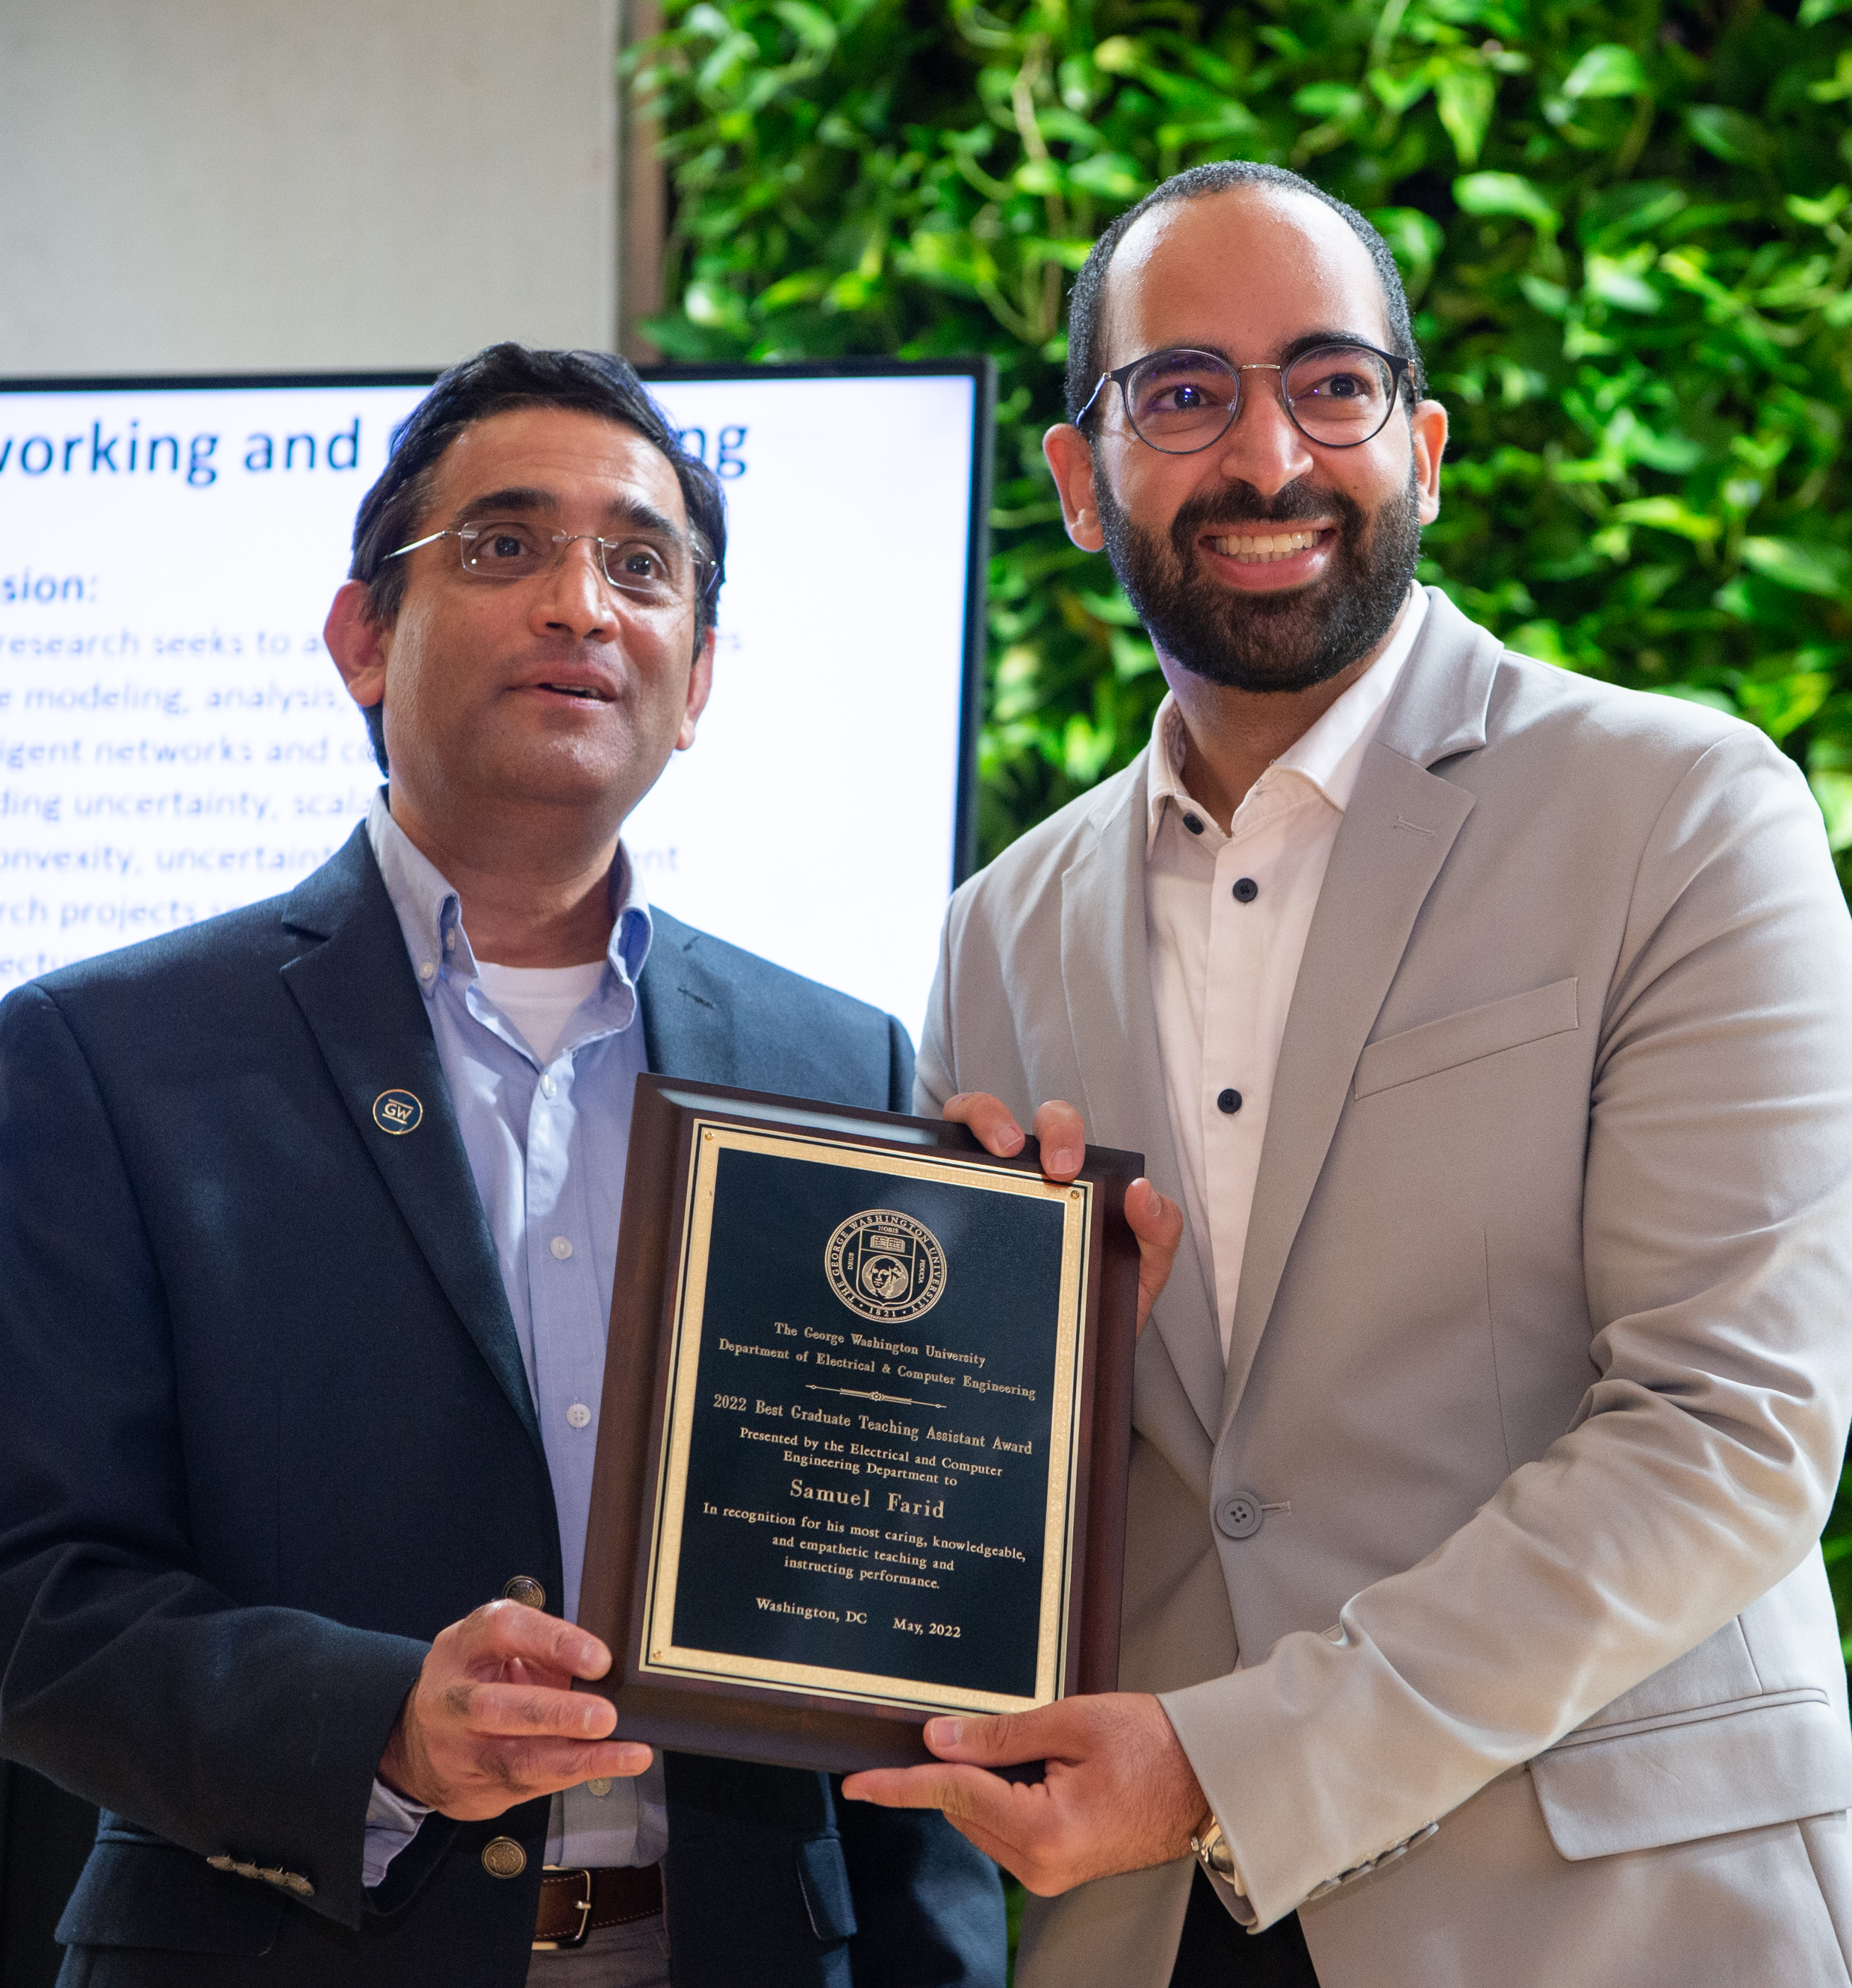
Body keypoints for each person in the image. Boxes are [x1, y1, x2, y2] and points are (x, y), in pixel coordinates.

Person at [840, 162, 1852, 1987]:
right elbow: (1028, 1506)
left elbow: (1730, 1429)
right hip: (1150, 1934)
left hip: (1607, 1917)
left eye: (1331, 384)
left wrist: (1233, 1762)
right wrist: (975, 1346)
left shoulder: (1687, 813)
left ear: (1424, 442)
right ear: (1079, 481)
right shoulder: (1000, 929)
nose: (1270, 457)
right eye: (1182, 392)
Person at [0, 344, 1006, 1987]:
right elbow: (35, 1586)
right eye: (503, 544)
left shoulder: (839, 1069)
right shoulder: (103, 1055)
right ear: (360, 638)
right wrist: (381, 1726)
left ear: (698, 680)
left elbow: (881, 1624)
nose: (580, 603)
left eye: (641, 564)